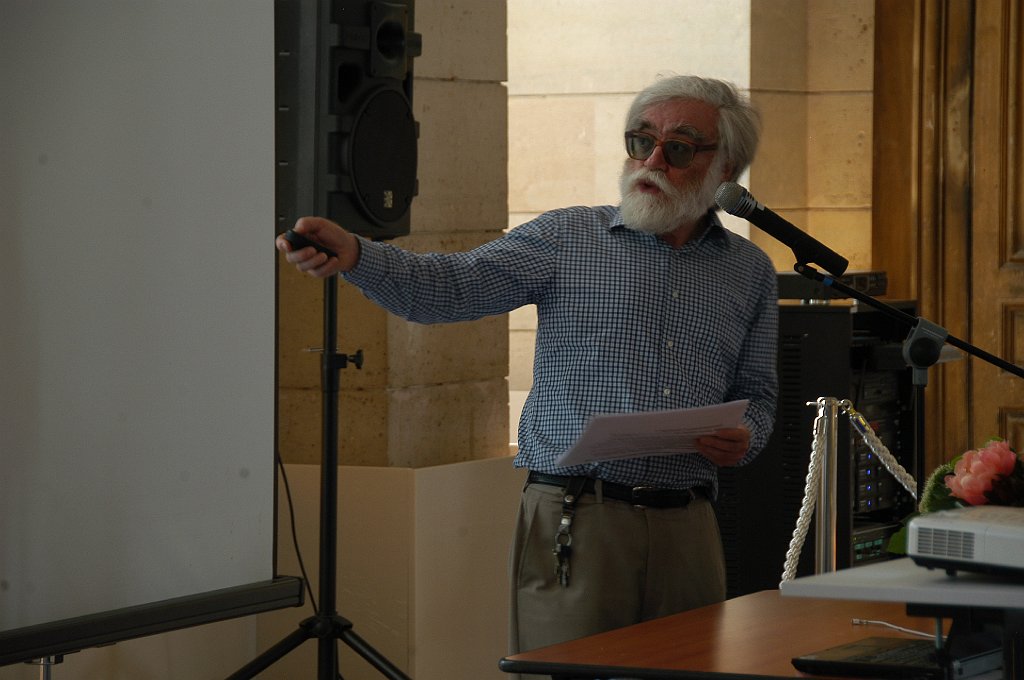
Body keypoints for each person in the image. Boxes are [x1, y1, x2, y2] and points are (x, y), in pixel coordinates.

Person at [277, 74, 778, 655]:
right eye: (641, 141)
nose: (653, 161)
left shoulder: (749, 270)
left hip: (688, 523)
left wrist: (746, 436)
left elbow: (759, 394)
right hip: (578, 516)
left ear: (725, 169)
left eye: (680, 148)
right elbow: (450, 287)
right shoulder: (569, 236)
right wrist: (358, 255)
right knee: (571, 671)